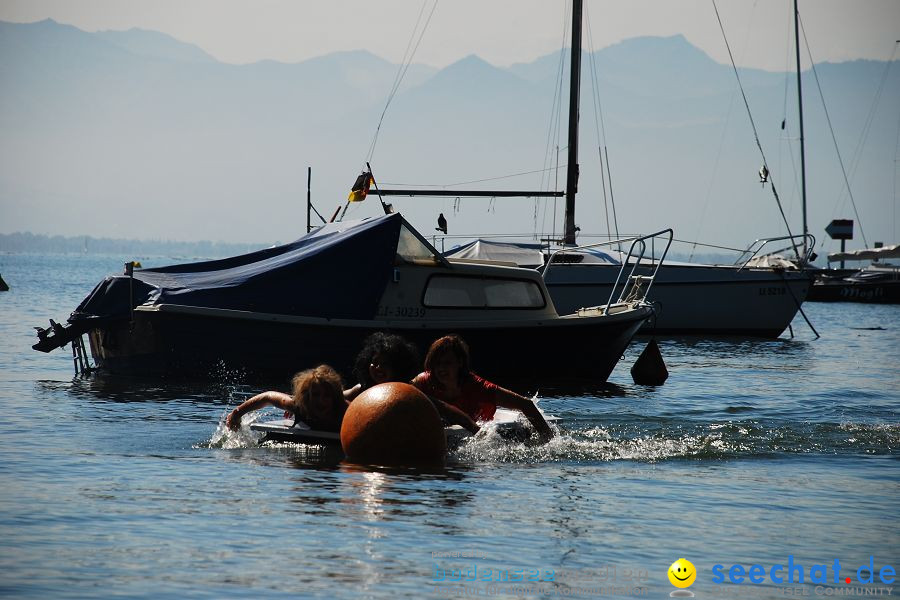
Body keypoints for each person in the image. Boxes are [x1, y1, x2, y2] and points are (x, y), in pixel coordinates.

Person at [413, 335, 554, 441]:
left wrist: (548, 441)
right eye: (437, 364)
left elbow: (526, 405)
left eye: (447, 363)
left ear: (460, 363)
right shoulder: (423, 382)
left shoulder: (478, 387)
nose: (441, 369)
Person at [348, 332, 480, 434]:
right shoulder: (362, 389)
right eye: (374, 363)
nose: (378, 368)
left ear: (397, 367)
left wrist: (473, 427)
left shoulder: (407, 392)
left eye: (385, 364)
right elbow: (338, 397)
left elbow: (445, 408)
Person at [226, 364, 346, 433]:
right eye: (315, 395)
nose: (320, 401)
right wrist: (237, 413)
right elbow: (268, 396)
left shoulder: (346, 411)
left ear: (334, 397)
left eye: (327, 396)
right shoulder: (298, 405)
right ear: (306, 396)